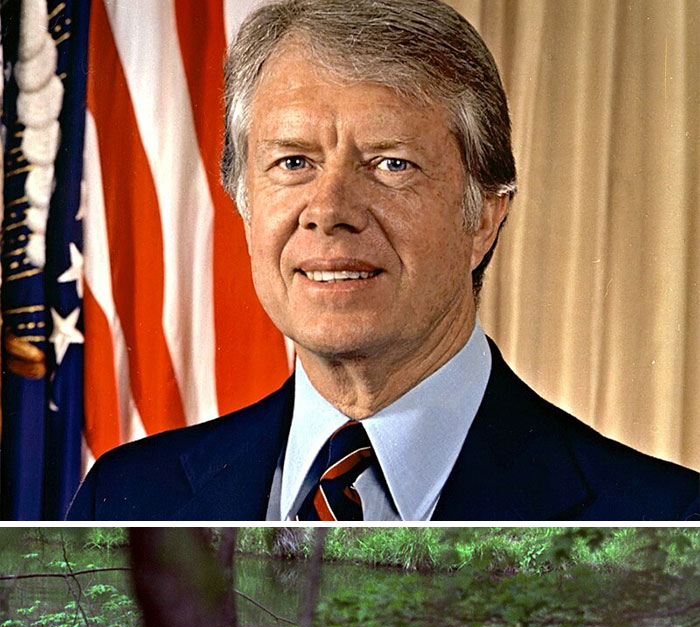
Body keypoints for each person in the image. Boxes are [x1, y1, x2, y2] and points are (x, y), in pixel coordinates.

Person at [67, 0, 699, 522]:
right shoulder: (127, 501)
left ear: (482, 215)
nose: (329, 209)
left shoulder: (661, 524)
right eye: (294, 162)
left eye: (391, 164)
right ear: (244, 203)